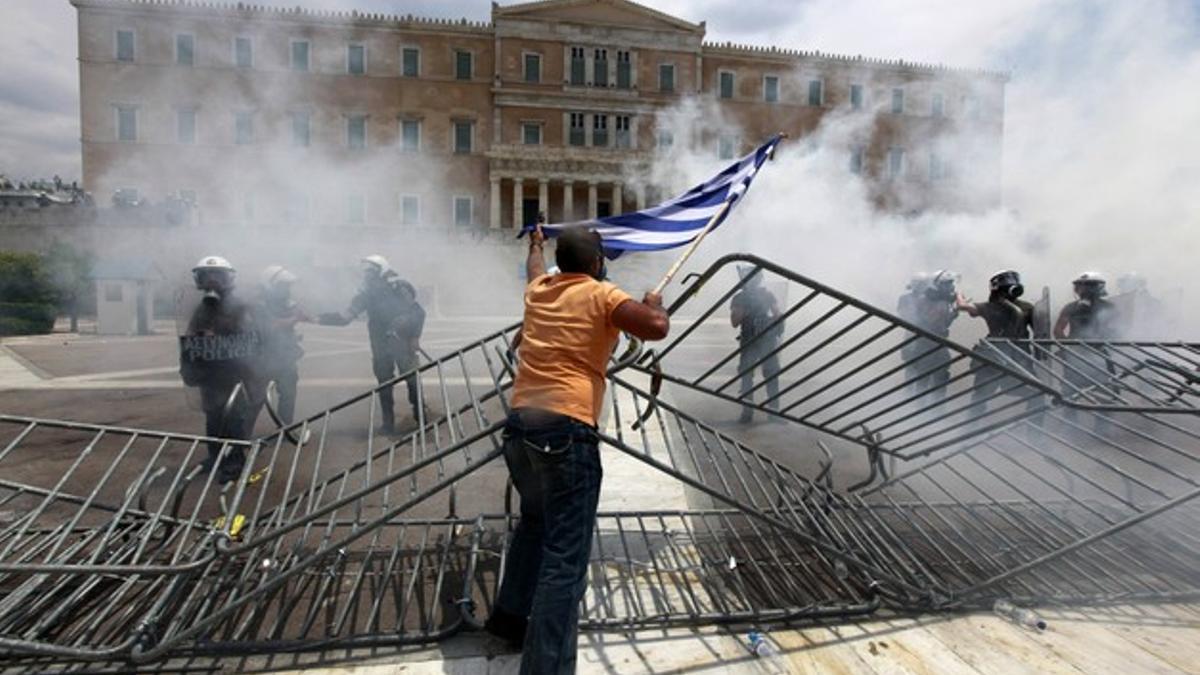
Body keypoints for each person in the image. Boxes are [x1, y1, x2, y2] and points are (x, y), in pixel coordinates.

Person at [485, 225, 669, 674]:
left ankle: (509, 618)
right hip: (566, 430)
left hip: (522, 425)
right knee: (565, 562)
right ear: (595, 263)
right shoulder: (600, 294)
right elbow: (655, 328)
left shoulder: (540, 289)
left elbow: (532, 268)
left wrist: (535, 244)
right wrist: (654, 304)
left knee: (533, 526)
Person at [178, 255, 265, 484]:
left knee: (234, 418)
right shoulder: (201, 309)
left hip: (234, 372)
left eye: (217, 276)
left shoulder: (239, 307)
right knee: (213, 417)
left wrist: (219, 336)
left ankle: (234, 463)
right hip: (210, 374)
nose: (211, 281)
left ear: (228, 279)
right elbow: (189, 337)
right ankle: (215, 456)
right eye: (206, 276)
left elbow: (249, 338)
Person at [318, 255, 426, 434]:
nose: (367, 277)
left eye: (371, 273)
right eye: (366, 273)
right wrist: (318, 318)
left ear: (382, 272)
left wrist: (414, 336)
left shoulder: (400, 288)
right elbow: (345, 318)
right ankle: (388, 423)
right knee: (384, 385)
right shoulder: (365, 296)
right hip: (380, 347)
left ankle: (421, 418)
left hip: (403, 345)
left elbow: (418, 312)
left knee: (413, 381)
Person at [956, 269, 1038, 418]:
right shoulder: (994, 307)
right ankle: (970, 430)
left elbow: (964, 307)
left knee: (1036, 394)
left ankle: (1035, 435)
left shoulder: (1023, 307)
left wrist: (959, 295)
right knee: (980, 397)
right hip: (1000, 356)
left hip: (1014, 357)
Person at [1054, 272, 1119, 418]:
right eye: (1080, 286)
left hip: (1099, 354)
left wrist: (1104, 341)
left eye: (1087, 286)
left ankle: (1102, 428)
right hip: (1075, 354)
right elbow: (1058, 329)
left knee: (1104, 391)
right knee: (1070, 391)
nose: (1082, 290)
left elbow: (1117, 330)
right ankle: (1071, 427)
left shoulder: (1109, 308)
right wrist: (1067, 347)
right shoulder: (1071, 307)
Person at [257, 265, 309, 426]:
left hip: (285, 355)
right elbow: (268, 326)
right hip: (262, 357)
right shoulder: (259, 303)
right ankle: (241, 435)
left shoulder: (285, 302)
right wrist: (294, 319)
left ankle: (284, 428)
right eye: (283, 285)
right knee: (256, 397)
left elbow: (298, 313)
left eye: (288, 286)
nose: (287, 289)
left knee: (288, 392)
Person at [897, 270, 959, 402]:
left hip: (937, 341)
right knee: (917, 373)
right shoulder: (919, 299)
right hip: (918, 340)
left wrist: (953, 312)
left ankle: (936, 406)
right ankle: (915, 404)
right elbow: (913, 318)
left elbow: (944, 323)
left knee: (940, 373)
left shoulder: (940, 300)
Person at [730, 266, 782, 423]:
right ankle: (750, 412)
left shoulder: (764, 295)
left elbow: (778, 315)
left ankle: (772, 413)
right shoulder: (741, 298)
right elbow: (735, 321)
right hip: (750, 340)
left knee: (769, 375)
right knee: (748, 377)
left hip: (764, 339)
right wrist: (746, 306)